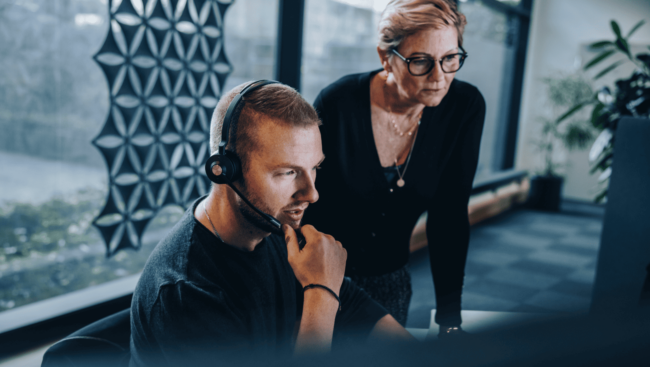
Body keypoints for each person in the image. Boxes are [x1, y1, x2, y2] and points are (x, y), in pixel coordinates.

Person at [129, 81, 412, 367]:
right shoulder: (186, 293)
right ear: (224, 170)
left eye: (314, 168)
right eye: (288, 172)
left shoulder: (274, 225)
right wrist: (321, 293)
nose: (311, 193)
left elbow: (352, 305)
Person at [303, 0, 485, 334]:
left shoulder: (464, 107)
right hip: (317, 276)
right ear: (386, 58)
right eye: (420, 61)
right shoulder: (338, 102)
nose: (439, 77)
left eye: (450, 58)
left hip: (390, 280)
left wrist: (449, 320)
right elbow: (304, 203)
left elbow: (449, 216)